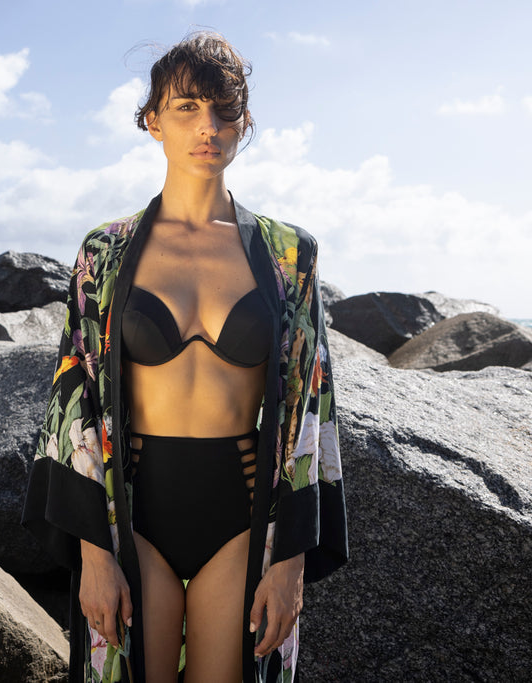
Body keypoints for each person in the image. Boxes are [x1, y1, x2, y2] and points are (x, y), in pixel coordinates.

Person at [22, 31, 348, 683]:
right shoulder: (105, 254)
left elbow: (312, 405)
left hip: (242, 515)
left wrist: (289, 560)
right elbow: (74, 400)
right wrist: (93, 551)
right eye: (187, 107)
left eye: (225, 110)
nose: (208, 125)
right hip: (133, 511)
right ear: (152, 121)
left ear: (244, 122)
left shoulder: (290, 256)